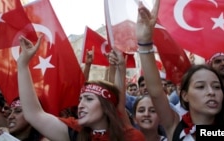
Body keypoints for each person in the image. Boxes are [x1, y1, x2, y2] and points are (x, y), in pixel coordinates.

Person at [136, 1, 224, 141]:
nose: (211, 92)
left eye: (217, 87)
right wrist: (145, 43)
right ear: (185, 96)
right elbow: (156, 91)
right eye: (200, 86)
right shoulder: (176, 127)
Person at [16, 35, 145, 141]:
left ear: (107, 106)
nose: (81, 105)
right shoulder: (74, 132)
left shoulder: (131, 137)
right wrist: (22, 64)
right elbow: (34, 114)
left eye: (89, 99)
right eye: (80, 99)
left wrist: (120, 68)